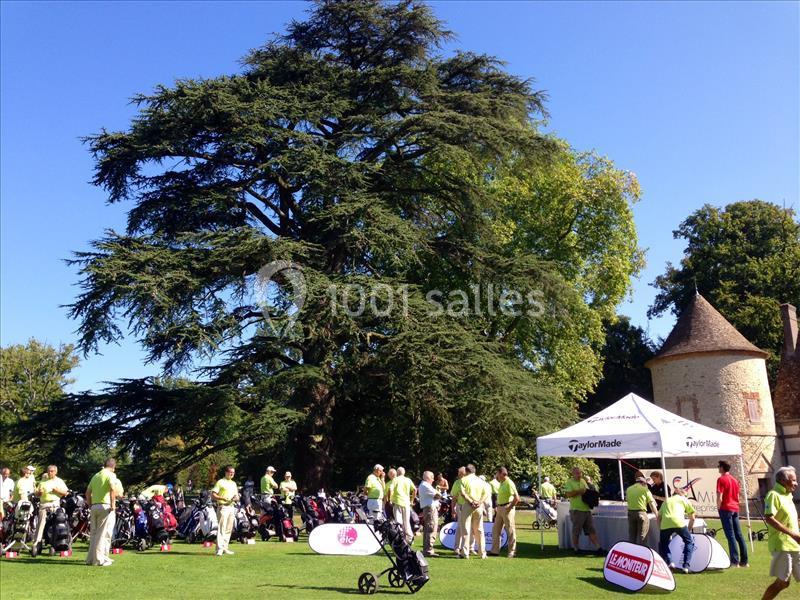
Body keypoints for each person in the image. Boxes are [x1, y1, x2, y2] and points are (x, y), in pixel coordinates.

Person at [761, 466, 800, 600]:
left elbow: (791, 519)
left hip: (795, 545)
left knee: (784, 583)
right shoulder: (773, 495)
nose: (796, 483)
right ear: (783, 480)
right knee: (783, 583)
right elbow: (769, 518)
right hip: (782, 545)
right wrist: (793, 535)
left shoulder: (788, 495)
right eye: (793, 480)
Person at [85, 458, 118, 567]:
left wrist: (90, 505)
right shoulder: (110, 475)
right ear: (113, 467)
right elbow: (113, 489)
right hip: (105, 506)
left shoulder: (96, 475)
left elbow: (87, 492)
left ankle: (90, 559)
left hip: (94, 506)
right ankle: (99, 560)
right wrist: (113, 504)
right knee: (101, 534)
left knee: (94, 533)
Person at [716, 460, 749, 568]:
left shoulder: (721, 479)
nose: (718, 468)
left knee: (730, 535)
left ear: (722, 468)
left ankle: (735, 562)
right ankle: (744, 561)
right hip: (735, 508)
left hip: (726, 508)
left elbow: (719, 496)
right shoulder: (735, 480)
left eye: (719, 466)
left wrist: (718, 507)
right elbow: (738, 496)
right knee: (738, 535)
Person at [32, 465, 68, 555]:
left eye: (52, 471)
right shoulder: (43, 481)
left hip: (55, 504)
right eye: (49, 471)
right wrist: (39, 493)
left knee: (57, 524)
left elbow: (65, 493)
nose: (50, 473)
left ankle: (56, 542)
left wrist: (57, 490)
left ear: (55, 472)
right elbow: (36, 493)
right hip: (44, 504)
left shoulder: (59, 481)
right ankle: (37, 543)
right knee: (40, 525)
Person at [563, 467, 602, 553]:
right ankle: (576, 548)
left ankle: (598, 548)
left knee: (591, 529)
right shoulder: (569, 482)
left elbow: (587, 492)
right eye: (577, 473)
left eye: (580, 473)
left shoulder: (583, 481)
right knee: (576, 530)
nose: (579, 475)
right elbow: (568, 494)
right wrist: (579, 491)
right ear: (572, 474)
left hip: (586, 509)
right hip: (576, 510)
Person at [657, 486, 695, 574]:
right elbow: (692, 518)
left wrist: (660, 529)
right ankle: (686, 566)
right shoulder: (684, 500)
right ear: (682, 494)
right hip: (679, 523)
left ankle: (670, 562)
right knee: (689, 542)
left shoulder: (666, 500)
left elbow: (658, 517)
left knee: (663, 544)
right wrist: (688, 530)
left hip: (665, 524)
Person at [458, 464, 488, 559]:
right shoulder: (481, 481)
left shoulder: (463, 480)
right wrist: (479, 502)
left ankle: (465, 553)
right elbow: (486, 494)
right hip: (479, 506)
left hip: (468, 505)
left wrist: (471, 502)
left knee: (466, 529)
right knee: (479, 530)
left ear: (466, 471)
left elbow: (462, 493)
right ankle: (482, 553)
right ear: (474, 471)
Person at [490, 467, 519, 558]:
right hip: (500, 508)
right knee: (495, 529)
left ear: (502, 473)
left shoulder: (509, 483)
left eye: (497, 474)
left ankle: (512, 552)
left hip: (507, 508)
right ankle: (495, 551)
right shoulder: (502, 483)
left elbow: (517, 498)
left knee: (510, 530)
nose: (496, 476)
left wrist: (509, 508)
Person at [211, 465, 239, 556]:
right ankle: (219, 549)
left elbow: (237, 496)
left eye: (233, 473)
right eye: (230, 472)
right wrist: (222, 498)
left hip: (231, 507)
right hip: (223, 507)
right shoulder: (220, 482)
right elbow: (213, 495)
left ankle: (225, 547)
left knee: (228, 528)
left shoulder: (234, 483)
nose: (232, 474)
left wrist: (236, 498)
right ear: (226, 472)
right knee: (221, 528)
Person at [626, 472, 658, 545]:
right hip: (641, 513)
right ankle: (642, 553)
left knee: (632, 536)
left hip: (630, 513)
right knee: (642, 536)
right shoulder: (645, 490)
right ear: (644, 483)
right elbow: (652, 504)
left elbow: (628, 501)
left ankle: (631, 553)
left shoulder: (628, 489)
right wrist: (657, 515)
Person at [418, 471, 441, 557]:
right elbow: (438, 495)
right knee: (431, 528)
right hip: (430, 509)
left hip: (428, 509)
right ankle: (429, 550)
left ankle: (426, 549)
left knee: (428, 529)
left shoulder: (424, 485)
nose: (433, 479)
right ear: (428, 478)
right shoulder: (425, 485)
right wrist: (438, 494)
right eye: (432, 477)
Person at [390, 467, 416, 544]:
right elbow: (415, 489)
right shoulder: (408, 480)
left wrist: (390, 499)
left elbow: (390, 489)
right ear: (404, 473)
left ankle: (400, 538)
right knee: (406, 521)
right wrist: (412, 500)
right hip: (406, 503)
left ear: (397, 473)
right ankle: (410, 538)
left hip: (397, 502)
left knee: (398, 521)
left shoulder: (395, 479)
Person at [450, 466, 467, 553]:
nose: (458, 475)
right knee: (460, 527)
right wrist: (453, 509)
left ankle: (469, 547)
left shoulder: (469, 481)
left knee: (468, 527)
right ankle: (457, 547)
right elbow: (454, 497)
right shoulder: (457, 483)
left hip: (469, 506)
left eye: (460, 473)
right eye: (458, 473)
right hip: (461, 506)